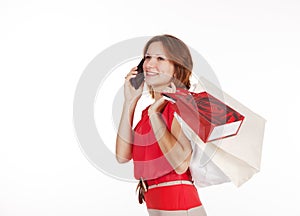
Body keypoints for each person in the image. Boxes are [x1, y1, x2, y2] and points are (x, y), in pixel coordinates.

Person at [116, 34, 207, 216]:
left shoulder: (178, 105)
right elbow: (122, 155)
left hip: (179, 205)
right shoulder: (148, 112)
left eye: (160, 58)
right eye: (148, 57)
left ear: (176, 68)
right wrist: (130, 102)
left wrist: (155, 115)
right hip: (158, 204)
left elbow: (181, 164)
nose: (149, 64)